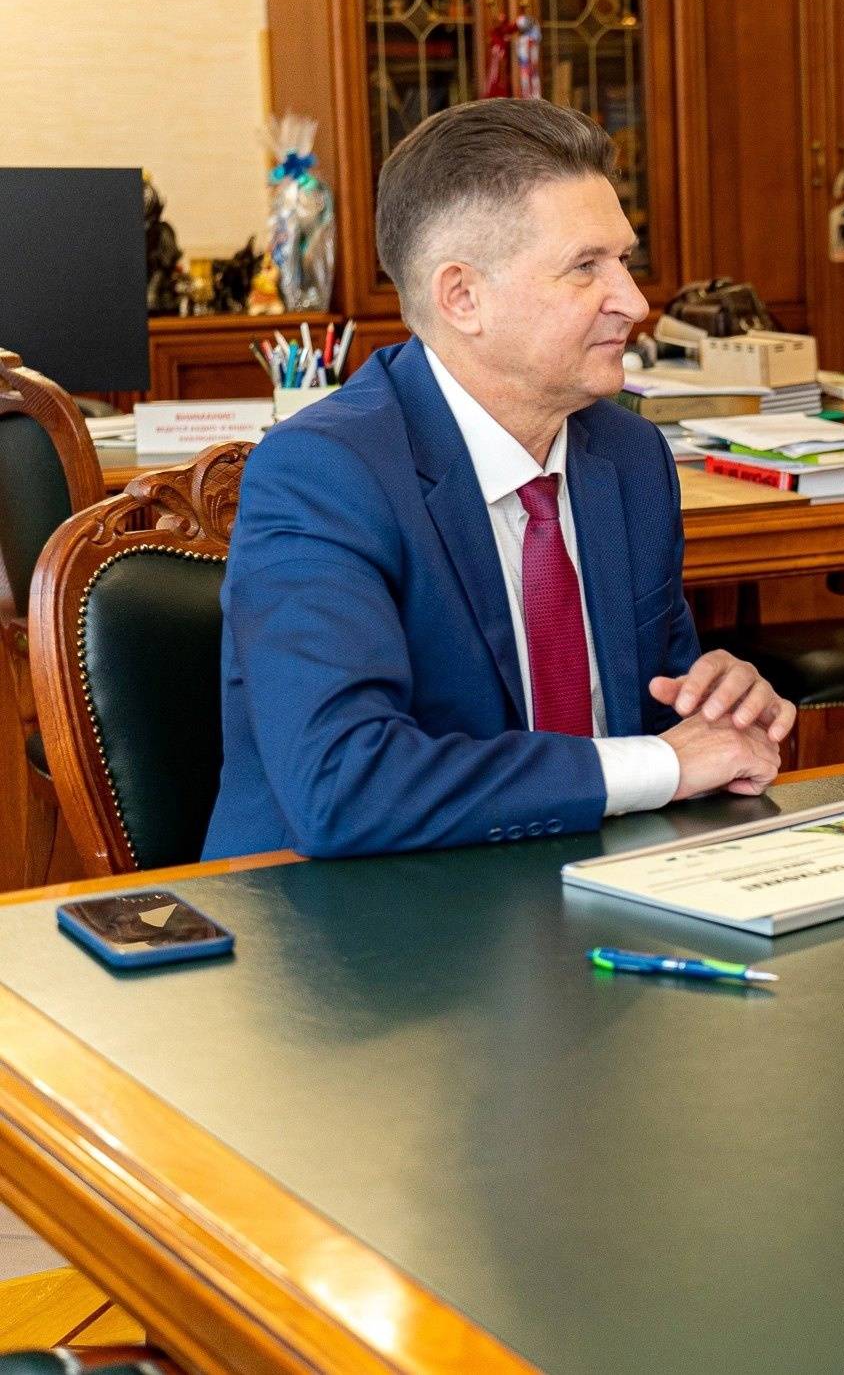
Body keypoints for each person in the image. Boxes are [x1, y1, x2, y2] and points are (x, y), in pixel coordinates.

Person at [205, 99, 792, 860]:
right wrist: (667, 763)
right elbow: (344, 785)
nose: (635, 302)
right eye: (587, 267)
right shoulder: (322, 474)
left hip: (587, 882)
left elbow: (662, 715)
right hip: (350, 910)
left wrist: (720, 705)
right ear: (462, 297)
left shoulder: (630, 456)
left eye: (624, 260)